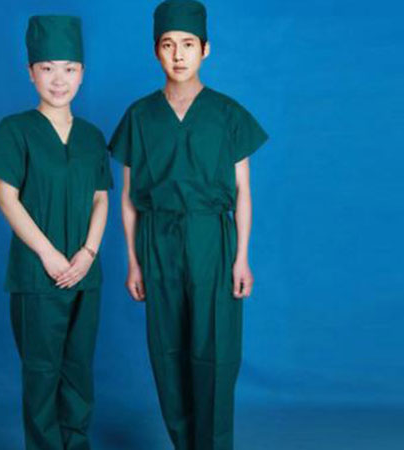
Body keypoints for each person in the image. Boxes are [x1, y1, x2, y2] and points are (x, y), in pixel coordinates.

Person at [108, 1, 269, 449]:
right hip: (157, 240)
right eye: (168, 45)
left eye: (188, 44)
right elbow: (128, 198)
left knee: (215, 349)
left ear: (205, 49)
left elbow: (243, 192)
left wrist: (241, 258)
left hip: (211, 240)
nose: (178, 54)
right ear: (155, 51)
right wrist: (134, 262)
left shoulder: (228, 113)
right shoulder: (139, 116)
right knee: (168, 351)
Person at [0, 15, 112, 450]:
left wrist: (88, 253)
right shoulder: (15, 130)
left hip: (85, 273)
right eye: (47, 68)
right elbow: (7, 199)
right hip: (37, 274)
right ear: (30, 72)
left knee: (78, 369)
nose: (58, 79)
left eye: (69, 68)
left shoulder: (91, 136)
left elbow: (101, 199)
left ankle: (77, 445)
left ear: (82, 73)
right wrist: (50, 255)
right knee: (42, 371)